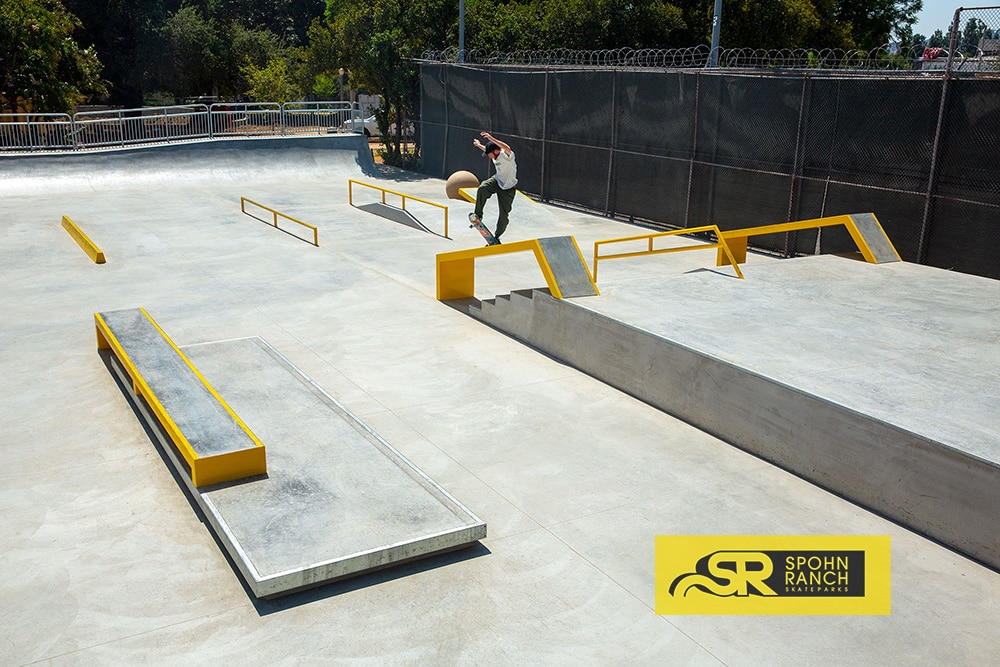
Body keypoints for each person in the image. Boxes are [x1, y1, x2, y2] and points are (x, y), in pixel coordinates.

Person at [471, 131, 517, 243]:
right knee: (483, 187)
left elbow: (507, 147)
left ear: (496, 151)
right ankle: (478, 214)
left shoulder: (507, 156)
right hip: (497, 181)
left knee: (503, 215)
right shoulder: (493, 155)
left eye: (490, 154)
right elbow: (487, 151)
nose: (489, 156)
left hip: (508, 188)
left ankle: (497, 236)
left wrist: (491, 138)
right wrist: (479, 145)